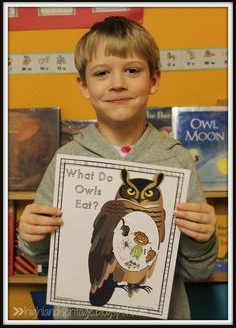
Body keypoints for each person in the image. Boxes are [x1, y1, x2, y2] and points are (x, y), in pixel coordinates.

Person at [18, 16, 217, 320]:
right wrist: (31, 234)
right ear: (83, 86)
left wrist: (203, 237)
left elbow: (198, 269)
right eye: (101, 73)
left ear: (154, 79)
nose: (118, 83)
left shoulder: (177, 160)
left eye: (133, 70)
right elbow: (44, 255)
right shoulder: (65, 161)